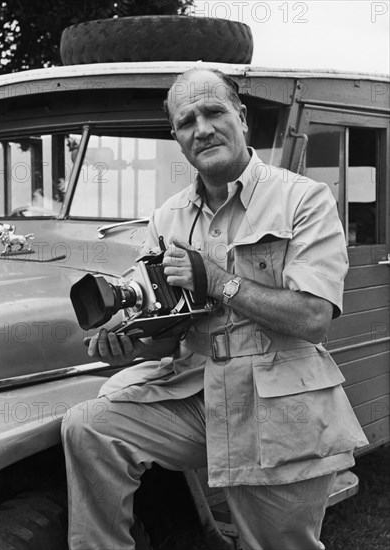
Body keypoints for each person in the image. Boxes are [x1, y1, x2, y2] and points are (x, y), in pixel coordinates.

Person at [61, 68, 368, 550]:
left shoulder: (302, 198)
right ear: (177, 140)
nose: (201, 128)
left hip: (277, 402)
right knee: (90, 426)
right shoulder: (167, 217)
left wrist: (219, 282)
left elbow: (313, 318)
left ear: (241, 118)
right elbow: (168, 331)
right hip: (197, 393)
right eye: (186, 122)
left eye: (213, 112)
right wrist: (131, 343)